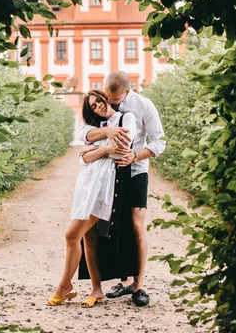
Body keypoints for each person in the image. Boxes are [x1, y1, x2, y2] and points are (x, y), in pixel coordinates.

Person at [81, 71, 166, 307]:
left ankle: (138, 286)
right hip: (110, 173)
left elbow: (160, 142)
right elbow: (86, 132)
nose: (109, 104)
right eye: (107, 98)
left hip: (136, 170)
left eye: (114, 101)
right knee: (115, 227)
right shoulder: (103, 104)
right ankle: (124, 280)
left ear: (128, 91)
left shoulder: (145, 106)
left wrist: (135, 155)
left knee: (137, 225)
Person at [46, 90, 134, 308]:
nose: (98, 107)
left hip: (103, 188)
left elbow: (120, 150)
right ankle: (97, 290)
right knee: (88, 237)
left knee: (71, 235)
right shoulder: (95, 126)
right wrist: (104, 145)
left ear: (105, 98)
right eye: (93, 106)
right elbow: (83, 155)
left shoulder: (126, 118)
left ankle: (64, 287)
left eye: (99, 102)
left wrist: (97, 149)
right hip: (87, 185)